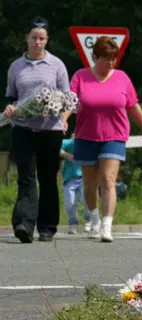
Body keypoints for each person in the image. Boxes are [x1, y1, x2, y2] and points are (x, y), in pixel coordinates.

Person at [65, 36, 142, 243]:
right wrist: (62, 121)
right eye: (106, 59)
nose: (110, 63)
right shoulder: (81, 76)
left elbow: (133, 106)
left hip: (114, 136)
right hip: (85, 136)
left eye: (113, 59)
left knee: (107, 179)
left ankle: (107, 225)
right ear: (95, 57)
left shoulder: (122, 78)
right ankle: (95, 220)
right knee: (89, 184)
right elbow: (70, 103)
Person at [3, 16, 70, 243]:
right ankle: (24, 224)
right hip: (22, 129)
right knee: (26, 176)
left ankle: (47, 226)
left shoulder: (57, 65)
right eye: (34, 38)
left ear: (47, 40)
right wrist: (10, 107)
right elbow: (10, 96)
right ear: (27, 38)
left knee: (48, 177)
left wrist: (62, 115)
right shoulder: (15, 67)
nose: (37, 42)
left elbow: (67, 97)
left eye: (42, 38)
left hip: (50, 129)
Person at [60, 134, 91, 234]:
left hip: (84, 177)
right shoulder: (67, 143)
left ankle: (89, 220)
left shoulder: (86, 142)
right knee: (70, 204)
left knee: (87, 200)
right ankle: (73, 223)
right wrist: (68, 155)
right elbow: (56, 148)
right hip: (69, 177)